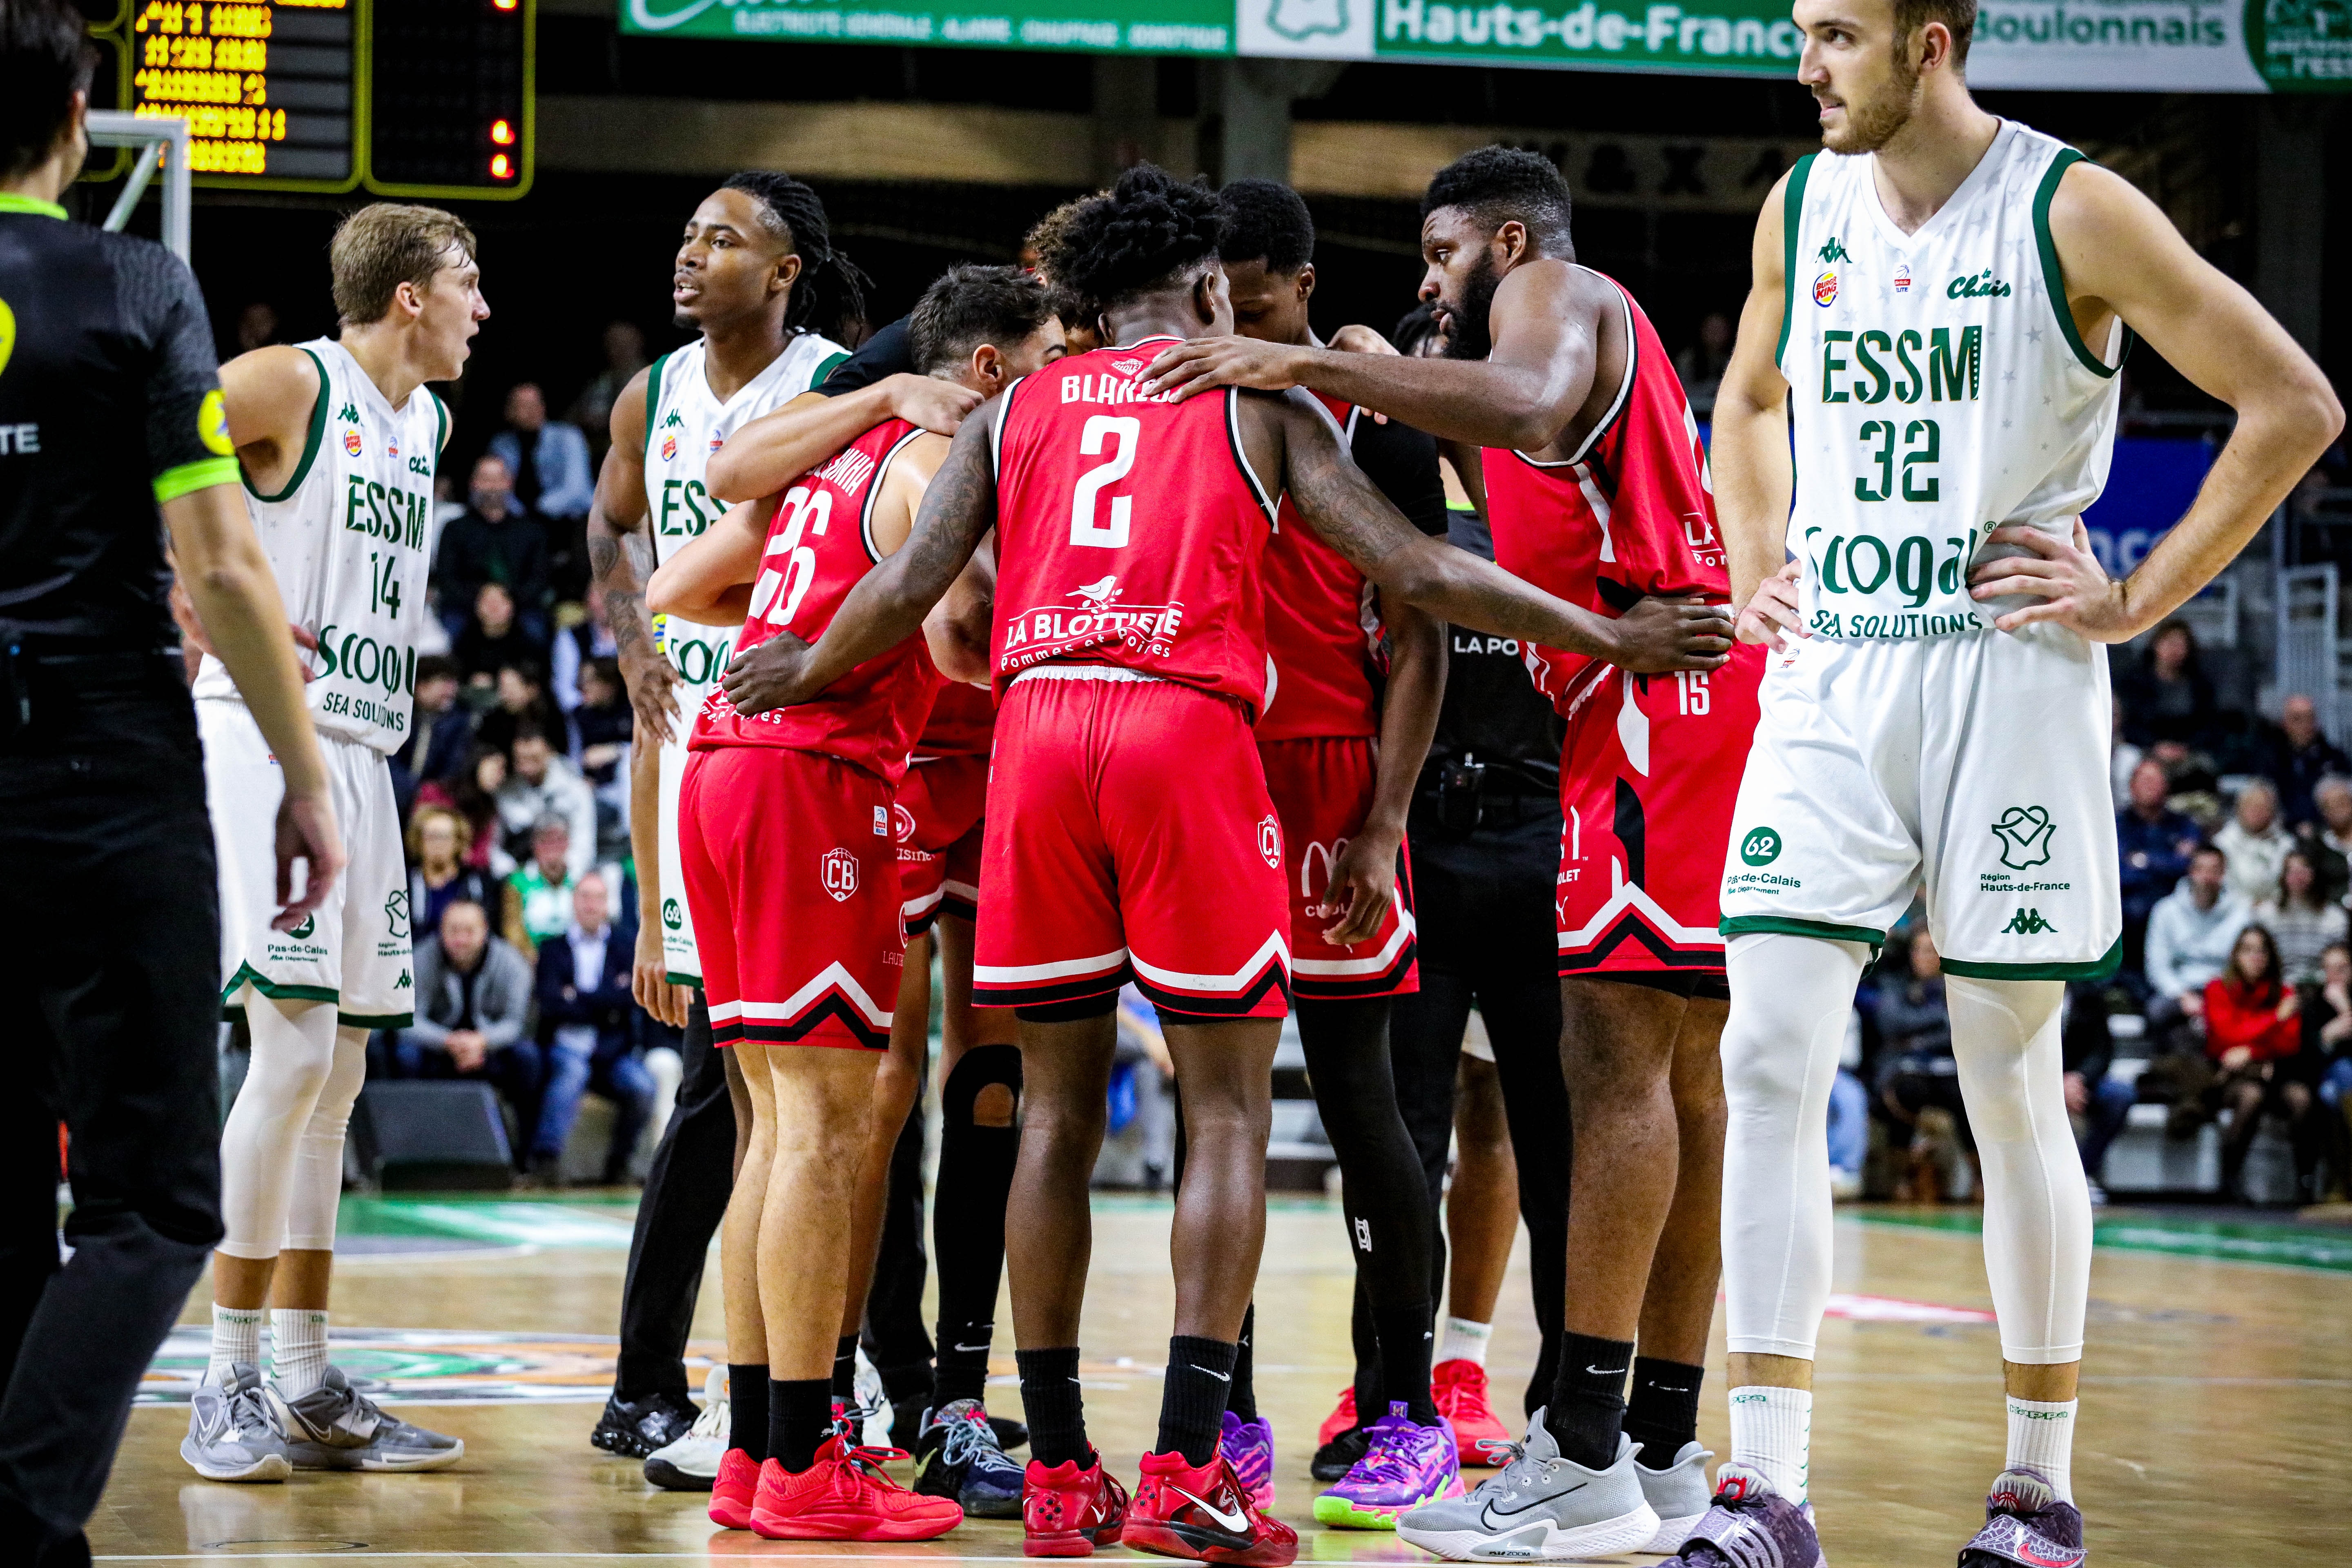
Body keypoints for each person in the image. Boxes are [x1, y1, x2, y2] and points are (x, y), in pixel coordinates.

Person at [730, 162, 1728, 1565]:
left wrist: (807, 661)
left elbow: (908, 592)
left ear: (1079, 303)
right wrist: (1609, 635)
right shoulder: (1248, 398)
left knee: (1052, 1113)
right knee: (1227, 1117)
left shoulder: (1017, 403)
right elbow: (1421, 576)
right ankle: (1193, 1464)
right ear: (1207, 292)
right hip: (1185, 734)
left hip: (1036, 737)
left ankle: (1065, 1465)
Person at [1696, 0, 2340, 1557]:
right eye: (1799, 32)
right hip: (1834, 668)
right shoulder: (1801, 205)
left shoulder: (2073, 207)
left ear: (1928, 43)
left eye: (1835, 34)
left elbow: (2294, 407)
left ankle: (2033, 1484)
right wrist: (1751, 561)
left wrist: (2132, 598)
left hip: (2009, 679)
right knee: (1766, 1054)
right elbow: (1747, 398)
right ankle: (1763, 1485)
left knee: (2006, 1077)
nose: (1804, 65)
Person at [1144, 144, 1765, 1555]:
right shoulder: (1542, 366)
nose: (1430, 287)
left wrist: (1313, 372)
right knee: (1675, 1081)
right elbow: (1506, 458)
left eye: (1438, 260)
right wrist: (1377, 364)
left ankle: (1589, 1447)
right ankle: (1659, 1442)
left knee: (1613, 1077)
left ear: (1498, 241)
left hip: (1649, 709)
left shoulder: (1554, 288)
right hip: (1677, 704)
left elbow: (1527, 396)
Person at [0, 6, 341, 1548]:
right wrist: (302, 775)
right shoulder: (136, 281)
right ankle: (22, 1514)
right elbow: (218, 557)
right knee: (150, 1204)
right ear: (81, 114)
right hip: (102, 767)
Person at [644, 256, 994, 1548]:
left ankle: (752, 1453)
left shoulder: (828, 464)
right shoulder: (927, 461)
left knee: (776, 1127)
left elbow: (680, 581)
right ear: (988, 374)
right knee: (832, 1132)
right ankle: (803, 1459)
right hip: (817, 780)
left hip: (724, 763)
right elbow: (959, 640)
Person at [178, 198, 488, 1484]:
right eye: (469, 281)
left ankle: (306, 1372)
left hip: (362, 749)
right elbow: (153, 435)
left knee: (342, 1067)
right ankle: (226, 1373)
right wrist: (182, 586)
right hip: (261, 735)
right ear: (409, 294)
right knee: (292, 1045)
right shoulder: (293, 380)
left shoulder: (429, 420)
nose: (483, 306)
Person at [581, 169, 860, 1470]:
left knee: (782, 1091)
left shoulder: (828, 380)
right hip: (691, 742)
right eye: (686, 234)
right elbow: (607, 523)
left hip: (793, 741)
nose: (690, 257)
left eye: (723, 238)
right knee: (732, 1092)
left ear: (787, 269)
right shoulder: (650, 395)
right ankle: (674, 1381)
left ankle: (814, 1373)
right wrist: (634, 639)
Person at [1209, 177, 1460, 1528]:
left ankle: (1404, 1407)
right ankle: (1227, 1406)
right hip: (1207, 769)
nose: (1231, 326)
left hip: (1332, 778)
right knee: (1221, 1104)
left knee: (1366, 1108)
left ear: (1299, 287)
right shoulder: (1195, 405)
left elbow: (1420, 630)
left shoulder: (1375, 414)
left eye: (1252, 303)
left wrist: (1382, 820)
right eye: (1216, 303)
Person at [531, 870, 657, 1185]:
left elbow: (631, 999)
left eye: (598, 898)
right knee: (571, 1076)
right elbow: (550, 1004)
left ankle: (619, 1167)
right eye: (584, 897)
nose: (590, 905)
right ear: (574, 902)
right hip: (566, 1047)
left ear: (608, 905)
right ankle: (545, 1163)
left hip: (612, 1051)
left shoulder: (626, 946)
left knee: (642, 1087)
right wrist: (606, 1002)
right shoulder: (552, 949)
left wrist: (577, 996)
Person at [395, 899, 541, 1153]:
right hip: (437, 1049)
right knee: (405, 1056)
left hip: (491, 1050)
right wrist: (448, 1041)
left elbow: (516, 1024)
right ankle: (411, 1151)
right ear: (441, 930)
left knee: (528, 1059)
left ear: (485, 930)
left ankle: (526, 1156)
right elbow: (407, 1019)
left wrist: (481, 1041)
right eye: (453, 931)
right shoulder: (420, 959)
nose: (460, 939)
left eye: (469, 931)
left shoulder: (511, 964)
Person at [2200, 924, 2304, 1200]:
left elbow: (2290, 1042)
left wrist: (2252, 1051)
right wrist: (2275, 1020)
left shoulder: (2284, 993)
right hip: (2231, 1077)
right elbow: (2225, 1036)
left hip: (2277, 1074)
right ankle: (2229, 1177)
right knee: (2251, 1096)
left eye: (2262, 951)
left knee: (2302, 1099)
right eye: (2247, 950)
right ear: (2235, 955)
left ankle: (2304, 1182)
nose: (2255, 957)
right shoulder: (2218, 989)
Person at [435, 454, 550, 645]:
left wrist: (508, 601)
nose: (493, 486)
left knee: (538, 631)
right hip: (466, 606)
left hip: (520, 605)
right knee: (446, 635)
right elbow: (447, 579)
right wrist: (481, 601)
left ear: (509, 483)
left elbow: (540, 579)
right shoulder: (455, 529)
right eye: (486, 479)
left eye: (498, 479)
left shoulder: (532, 530)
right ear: (474, 484)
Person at [2146, 846, 2253, 1035]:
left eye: (2214, 871)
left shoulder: (2241, 915)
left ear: (2223, 874)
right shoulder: (2165, 911)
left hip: (2226, 990)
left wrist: (2218, 997)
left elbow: (2245, 967)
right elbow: (2157, 966)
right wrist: (2183, 996)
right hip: (2181, 989)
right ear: (2191, 872)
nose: (2207, 877)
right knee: (2156, 1011)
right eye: (2201, 870)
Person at [2116, 756, 2201, 968]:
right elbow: (2119, 872)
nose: (2150, 786)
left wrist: (2143, 860)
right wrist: (2167, 861)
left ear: (2167, 787)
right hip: (2129, 903)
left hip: (2175, 899)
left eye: (2156, 780)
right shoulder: (2117, 824)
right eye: (2144, 780)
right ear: (2132, 786)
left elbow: (2188, 867)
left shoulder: (2183, 824)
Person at [495, 724, 597, 880]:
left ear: (550, 753)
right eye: (522, 759)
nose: (528, 766)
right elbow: (497, 847)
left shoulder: (576, 790)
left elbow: (584, 845)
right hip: (522, 877)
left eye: (534, 758)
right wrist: (515, 875)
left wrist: (564, 877)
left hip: (567, 876)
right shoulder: (505, 792)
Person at [490, 381, 595, 525]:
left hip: (570, 520)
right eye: (523, 406)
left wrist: (536, 510)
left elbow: (576, 489)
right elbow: (496, 487)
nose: (532, 411)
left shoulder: (569, 437)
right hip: (519, 521)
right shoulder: (501, 445)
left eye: (536, 405)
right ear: (509, 412)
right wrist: (517, 512)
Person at [2115, 619, 2218, 752]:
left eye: (2180, 645)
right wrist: (2155, 746)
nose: (2174, 649)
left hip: (2188, 752)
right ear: (2155, 644)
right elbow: (2130, 724)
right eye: (2169, 642)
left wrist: (2185, 748)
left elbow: (2208, 727)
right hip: (2144, 748)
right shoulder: (2135, 682)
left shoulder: (2201, 686)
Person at [407, 803, 501, 938]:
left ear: (458, 842)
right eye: (431, 836)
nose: (438, 843)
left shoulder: (477, 883)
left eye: (444, 836)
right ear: (418, 841)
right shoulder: (405, 884)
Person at [2256, 846, 2345, 987]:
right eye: (2292, 872)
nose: (2299, 877)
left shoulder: (2334, 917)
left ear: (2315, 874)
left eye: (2304, 871)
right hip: (2276, 987)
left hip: (2323, 988)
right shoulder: (2266, 915)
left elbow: (2340, 964)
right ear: (2283, 876)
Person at [502, 814, 584, 957]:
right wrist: (532, 957)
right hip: (533, 959)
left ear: (568, 843)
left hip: (575, 957)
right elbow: (513, 929)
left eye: (559, 840)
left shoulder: (580, 881)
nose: (553, 848)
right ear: (534, 845)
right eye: (546, 841)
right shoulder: (518, 882)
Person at [2266, 692, 2350, 827]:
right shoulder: (2268, 759)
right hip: (2280, 834)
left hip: (2327, 832)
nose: (2304, 725)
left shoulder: (2336, 759)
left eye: (2309, 718)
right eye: (2297, 719)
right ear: (2285, 723)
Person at [2214, 779, 2292, 911]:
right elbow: (2223, 887)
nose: (2256, 813)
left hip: (2278, 911)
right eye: (2251, 807)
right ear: (2239, 809)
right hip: (2233, 912)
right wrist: (2249, 905)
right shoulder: (2223, 843)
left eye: (2263, 807)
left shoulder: (2286, 844)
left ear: (2273, 812)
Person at [453, 580, 544, 686]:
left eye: (499, 602)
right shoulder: (465, 642)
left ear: (512, 606)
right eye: (487, 601)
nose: (493, 608)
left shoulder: (528, 645)